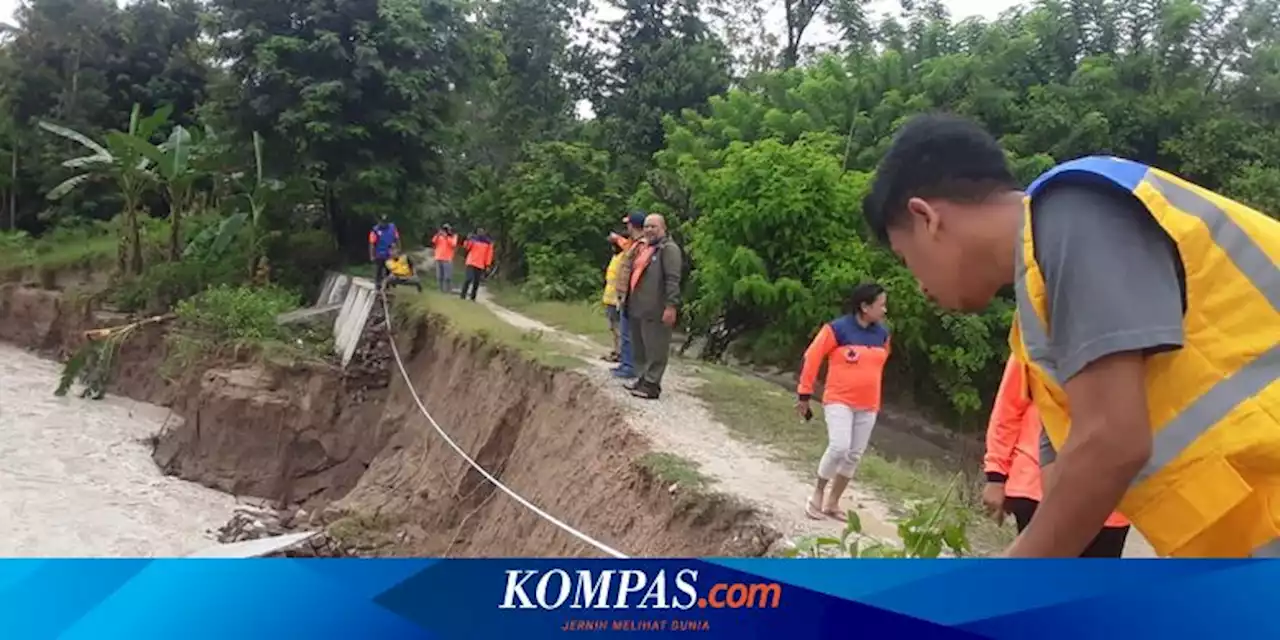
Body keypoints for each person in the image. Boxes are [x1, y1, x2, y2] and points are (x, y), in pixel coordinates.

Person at [862, 112, 1280, 558]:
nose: (920, 285)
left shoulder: (1074, 210)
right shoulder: (1037, 328)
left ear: (926, 218)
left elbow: (1112, 442)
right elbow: (1068, 474)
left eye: (907, 260)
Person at [984, 356, 1131, 556]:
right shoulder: (1041, 331)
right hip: (1038, 484)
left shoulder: (1145, 339)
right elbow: (1010, 403)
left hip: (1109, 499)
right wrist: (996, 475)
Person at [794, 283, 891, 520]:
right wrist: (804, 395)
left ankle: (833, 502)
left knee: (854, 455)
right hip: (839, 400)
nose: (885, 310)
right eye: (881, 305)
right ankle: (817, 493)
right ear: (865, 307)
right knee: (839, 447)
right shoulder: (836, 329)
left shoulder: (883, 335)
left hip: (869, 404)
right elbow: (812, 358)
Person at [621, 213, 682, 400]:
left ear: (663, 228)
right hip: (638, 307)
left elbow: (673, 279)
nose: (649, 230)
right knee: (640, 346)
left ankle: (652, 383)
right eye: (646, 226)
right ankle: (642, 377)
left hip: (656, 308)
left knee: (656, 346)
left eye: (653, 226)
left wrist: (671, 305)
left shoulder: (668, 249)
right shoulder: (645, 248)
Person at [610, 212, 647, 380]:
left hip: (633, 297)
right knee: (625, 332)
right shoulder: (634, 244)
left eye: (628, 224)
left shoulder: (641, 245)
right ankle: (626, 363)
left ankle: (630, 367)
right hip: (627, 296)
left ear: (633, 225)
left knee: (628, 333)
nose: (627, 227)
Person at [601, 231, 631, 363]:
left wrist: (618, 238)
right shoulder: (616, 257)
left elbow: (628, 247)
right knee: (613, 327)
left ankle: (621, 354)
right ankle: (617, 351)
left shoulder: (625, 256)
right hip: (610, 297)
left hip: (617, 299)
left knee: (619, 328)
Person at [459, 228, 494, 301]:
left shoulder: (488, 243)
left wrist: (487, 265)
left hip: (480, 264)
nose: (480, 233)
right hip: (471, 262)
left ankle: (473, 297)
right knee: (468, 279)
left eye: (481, 232)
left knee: (476, 282)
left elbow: (489, 255)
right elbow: (466, 247)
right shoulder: (473, 240)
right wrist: (467, 240)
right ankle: (463, 295)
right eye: (479, 232)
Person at [368, 214, 400, 288]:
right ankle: (378, 285)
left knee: (389, 270)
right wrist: (372, 255)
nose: (383, 224)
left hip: (390, 253)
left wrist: (398, 250)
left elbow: (397, 239)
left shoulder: (392, 228)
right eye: (382, 222)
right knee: (379, 270)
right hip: (379, 253)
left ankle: (387, 285)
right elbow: (372, 243)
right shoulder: (375, 230)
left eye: (385, 222)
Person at [431, 223, 459, 292]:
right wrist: (438, 234)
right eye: (444, 229)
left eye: (447, 229)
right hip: (439, 257)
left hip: (447, 258)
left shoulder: (453, 236)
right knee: (439, 275)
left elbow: (453, 244)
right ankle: (440, 289)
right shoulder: (439, 236)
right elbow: (433, 241)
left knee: (447, 276)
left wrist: (446, 237)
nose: (445, 231)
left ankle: (447, 289)